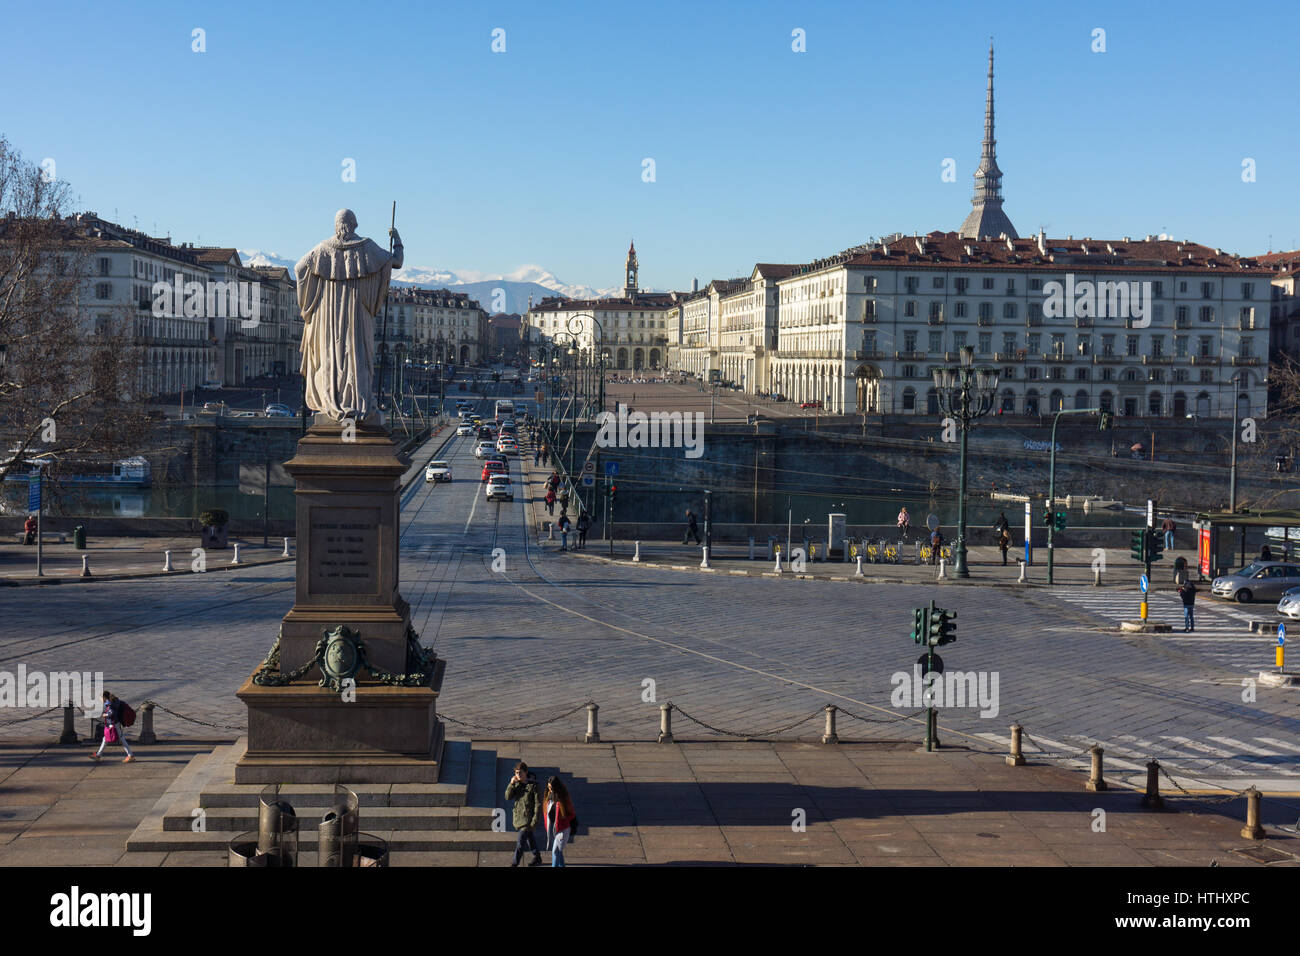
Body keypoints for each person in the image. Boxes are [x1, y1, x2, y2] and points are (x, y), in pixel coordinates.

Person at [505, 761, 543, 867]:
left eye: (520, 772)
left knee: (520, 843)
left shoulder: (533, 786)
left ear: (526, 772)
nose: (518, 775)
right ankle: (537, 857)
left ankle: (514, 863)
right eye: (516, 773)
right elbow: (508, 797)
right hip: (519, 818)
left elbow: (538, 804)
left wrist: (535, 820)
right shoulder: (516, 784)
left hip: (528, 819)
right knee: (530, 838)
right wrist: (511, 784)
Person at [543, 775, 577, 867]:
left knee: (555, 851)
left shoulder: (563, 798)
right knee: (558, 850)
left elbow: (572, 814)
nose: (550, 789)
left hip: (563, 829)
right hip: (555, 828)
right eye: (549, 787)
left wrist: (563, 822)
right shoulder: (548, 796)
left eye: (552, 787)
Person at [93, 691, 133, 762]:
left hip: (113, 724)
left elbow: (111, 713)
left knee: (121, 739)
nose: (101, 700)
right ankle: (98, 755)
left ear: (104, 697)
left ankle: (130, 755)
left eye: (101, 698)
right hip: (113, 723)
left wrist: (105, 715)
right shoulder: (113, 702)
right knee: (105, 739)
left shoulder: (109, 704)